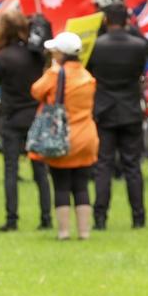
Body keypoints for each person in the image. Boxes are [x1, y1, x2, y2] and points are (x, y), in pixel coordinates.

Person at [87, 1, 148, 230]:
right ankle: (138, 217)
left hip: (104, 109)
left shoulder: (97, 45)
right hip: (131, 109)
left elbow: (87, 72)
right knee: (132, 165)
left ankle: (100, 217)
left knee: (103, 164)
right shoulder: (138, 44)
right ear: (126, 20)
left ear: (105, 20)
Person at [31, 32, 99, 241]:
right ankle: (85, 232)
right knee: (81, 186)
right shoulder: (87, 77)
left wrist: (50, 70)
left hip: (62, 137)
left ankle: (63, 232)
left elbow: (36, 91)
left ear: (61, 53)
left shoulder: (55, 74)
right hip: (86, 136)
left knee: (61, 185)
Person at [0, 11, 51, 232]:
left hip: (11, 115)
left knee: (11, 169)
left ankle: (12, 218)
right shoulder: (35, 55)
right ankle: (46, 217)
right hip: (34, 114)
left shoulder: (2, 56)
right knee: (40, 170)